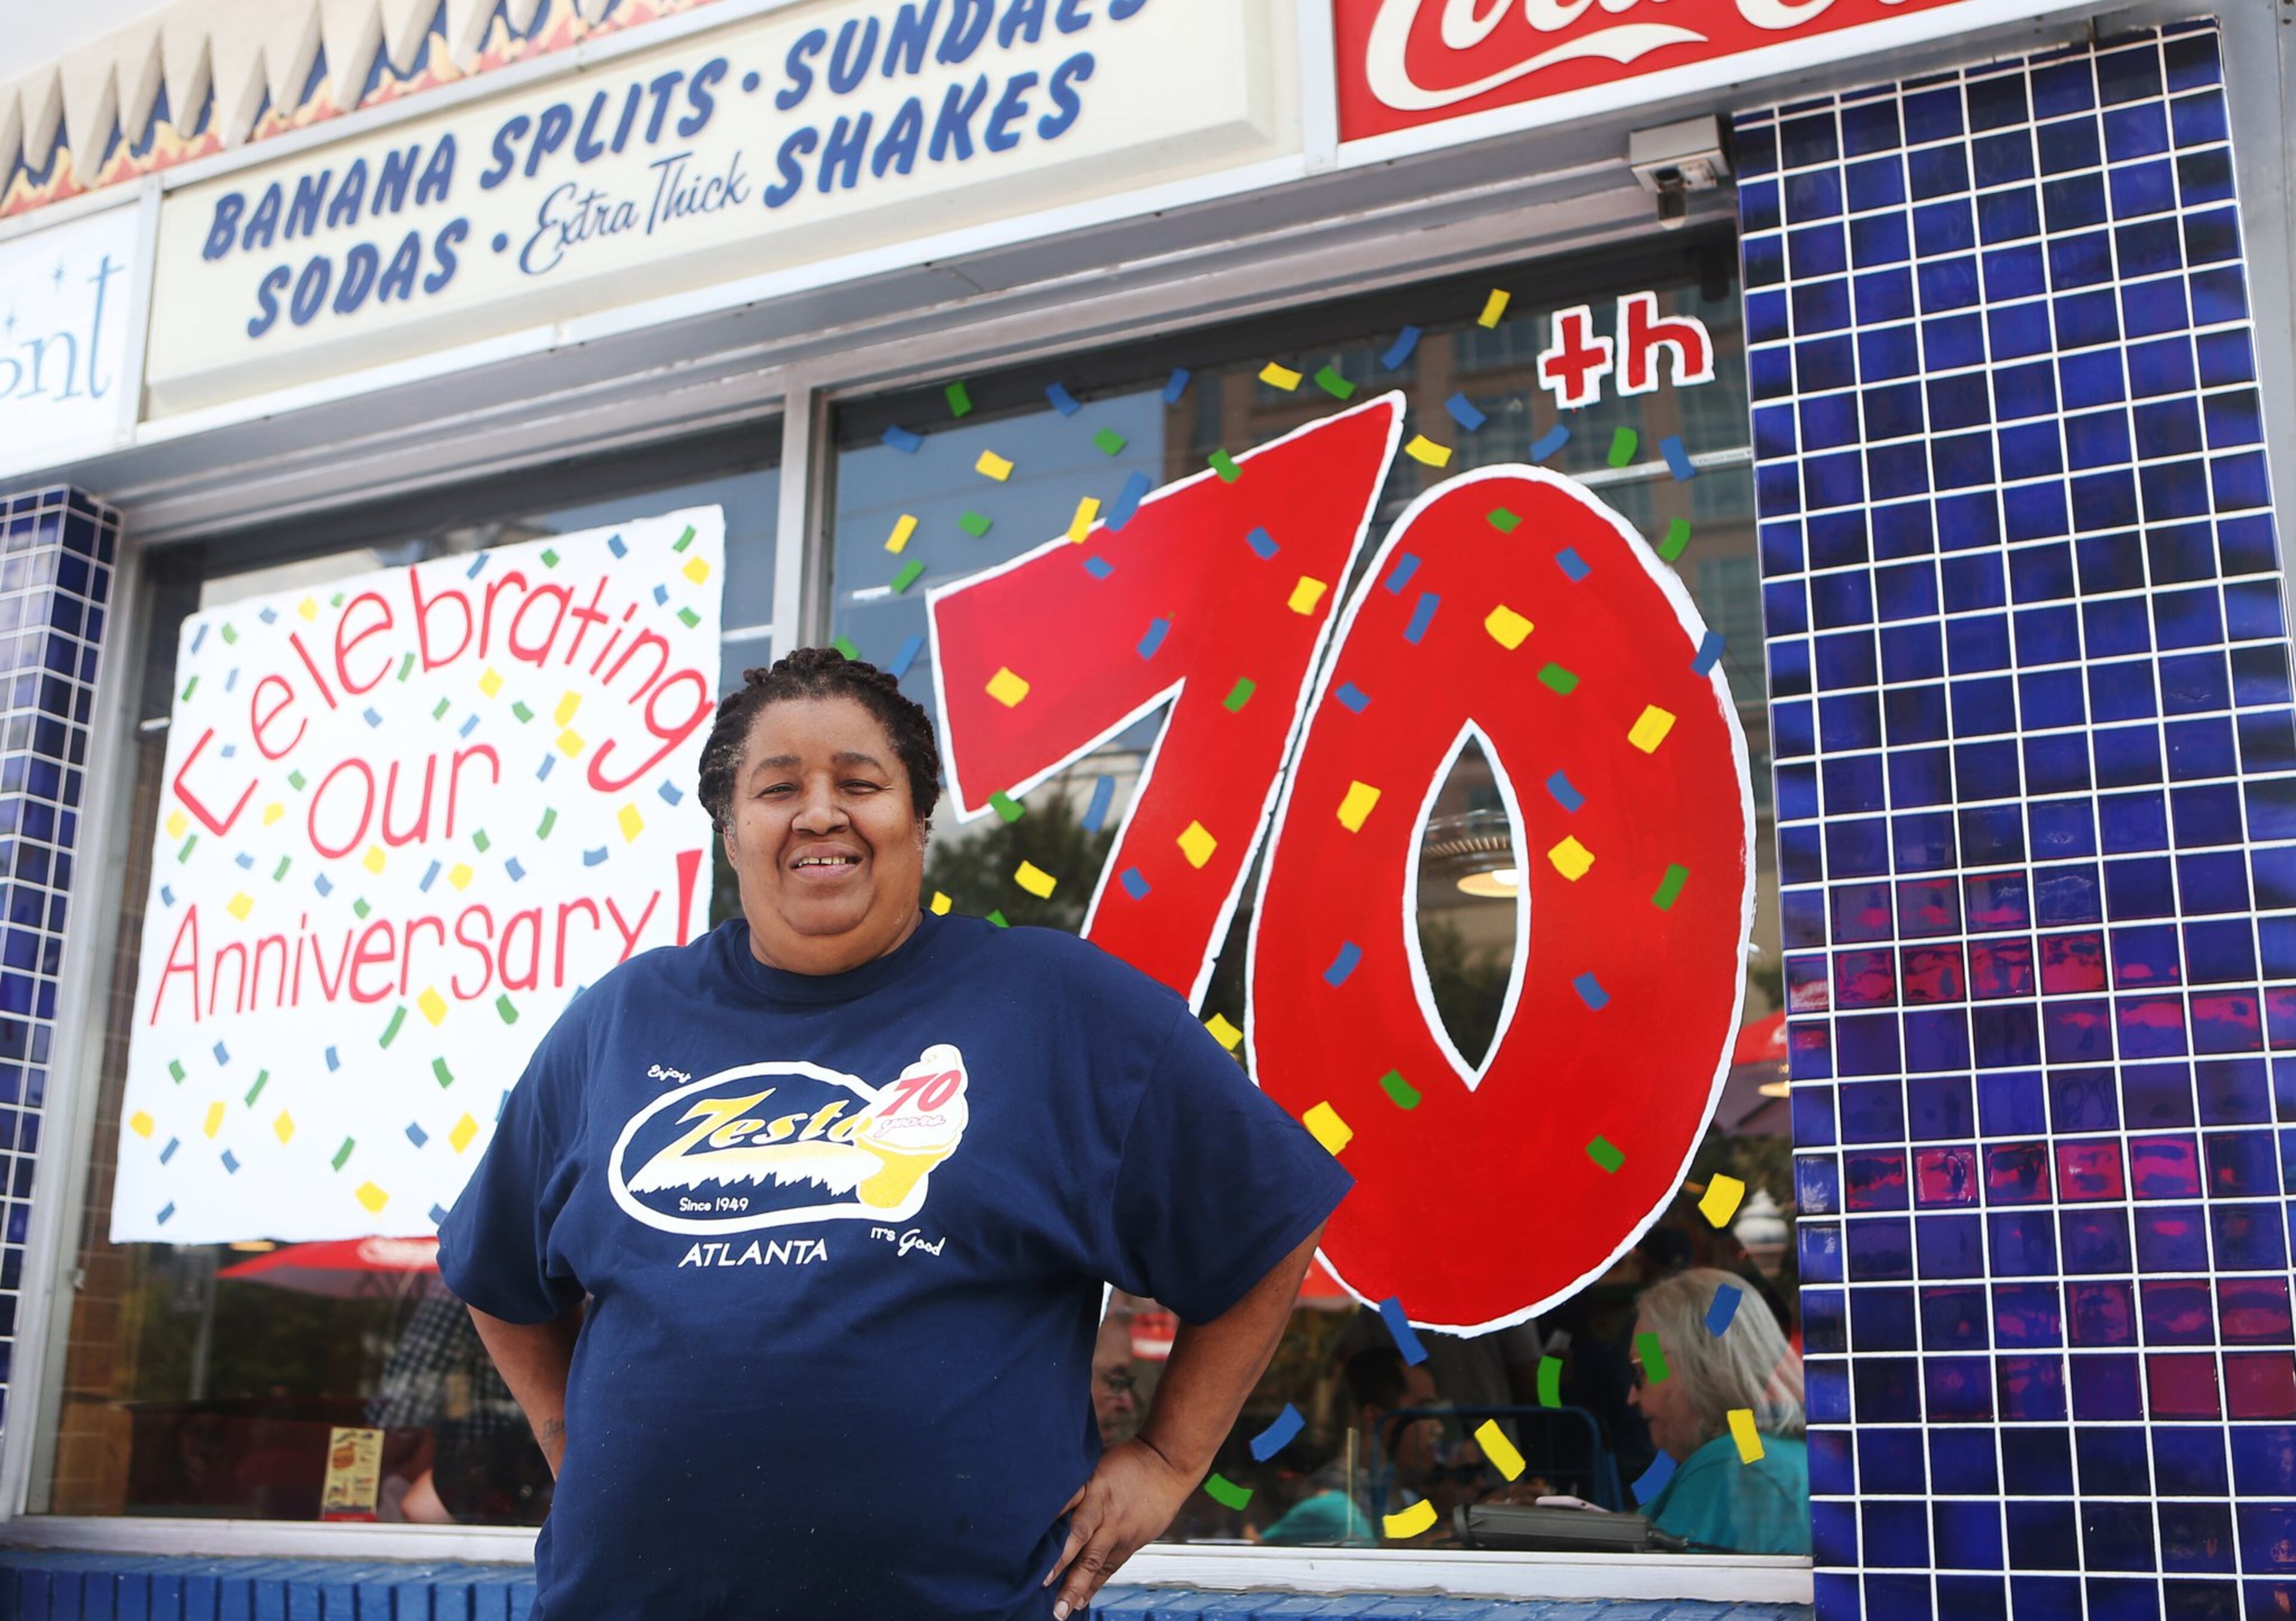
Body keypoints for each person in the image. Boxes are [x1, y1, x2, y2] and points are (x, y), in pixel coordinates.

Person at [435, 648, 1351, 1620]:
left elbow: (1267, 1214)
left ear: (918, 820)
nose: (820, 812)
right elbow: (496, 1270)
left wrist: (1172, 1458)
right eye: (778, 786)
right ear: (730, 827)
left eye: (859, 783)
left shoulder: (1054, 1006)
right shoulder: (620, 1021)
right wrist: (570, 1441)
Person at [1626, 1266, 1809, 1555]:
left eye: (1641, 1372)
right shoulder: (1769, 1453)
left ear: (1699, 1364)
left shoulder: (1738, 1465)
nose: (1631, 1397)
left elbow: (1653, 1592)